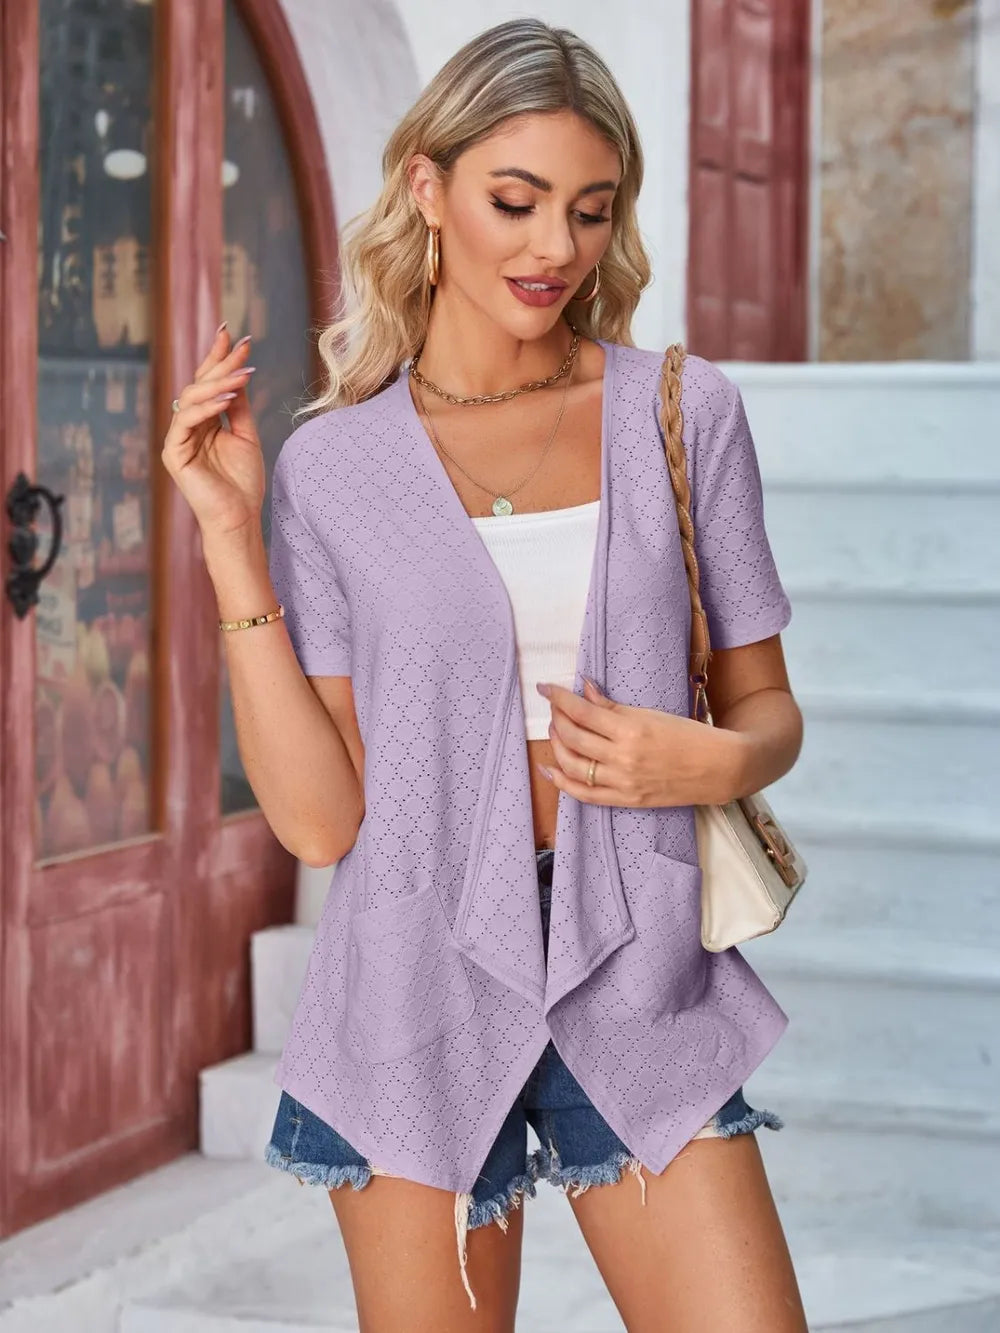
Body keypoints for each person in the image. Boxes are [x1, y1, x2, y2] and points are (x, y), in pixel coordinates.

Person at [161, 18, 808, 1332]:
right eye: (515, 202)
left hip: (638, 958)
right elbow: (322, 823)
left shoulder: (683, 413)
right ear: (428, 188)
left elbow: (767, 710)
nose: (554, 245)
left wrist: (713, 760)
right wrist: (231, 541)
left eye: (589, 208)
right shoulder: (333, 467)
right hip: (414, 971)